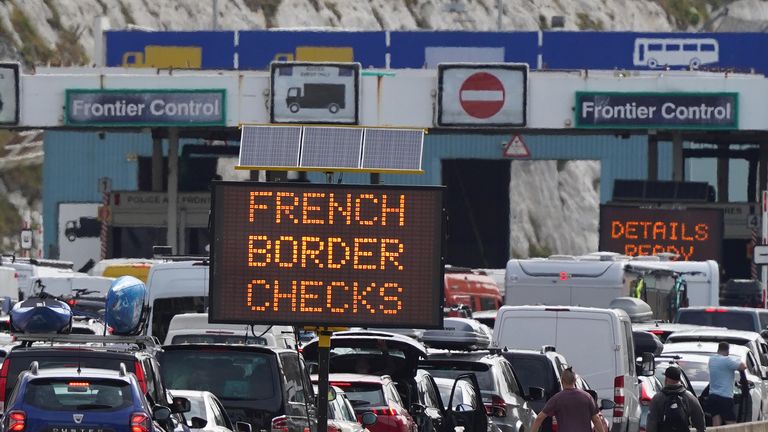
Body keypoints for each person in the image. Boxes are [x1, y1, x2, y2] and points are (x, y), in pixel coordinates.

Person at [531, 368, 604, 432]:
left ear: (562, 380)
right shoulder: (587, 397)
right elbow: (596, 419)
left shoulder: (557, 398)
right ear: (575, 380)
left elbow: (540, 418)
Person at [646, 366, 705, 432]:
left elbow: (651, 421)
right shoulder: (688, 396)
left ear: (666, 379)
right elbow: (699, 418)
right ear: (679, 380)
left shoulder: (658, 398)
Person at [707, 342, 746, 426]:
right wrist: (738, 360)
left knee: (716, 422)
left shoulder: (712, 359)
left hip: (713, 396)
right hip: (725, 397)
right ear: (728, 351)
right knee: (731, 424)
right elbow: (743, 367)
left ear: (718, 349)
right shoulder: (727, 360)